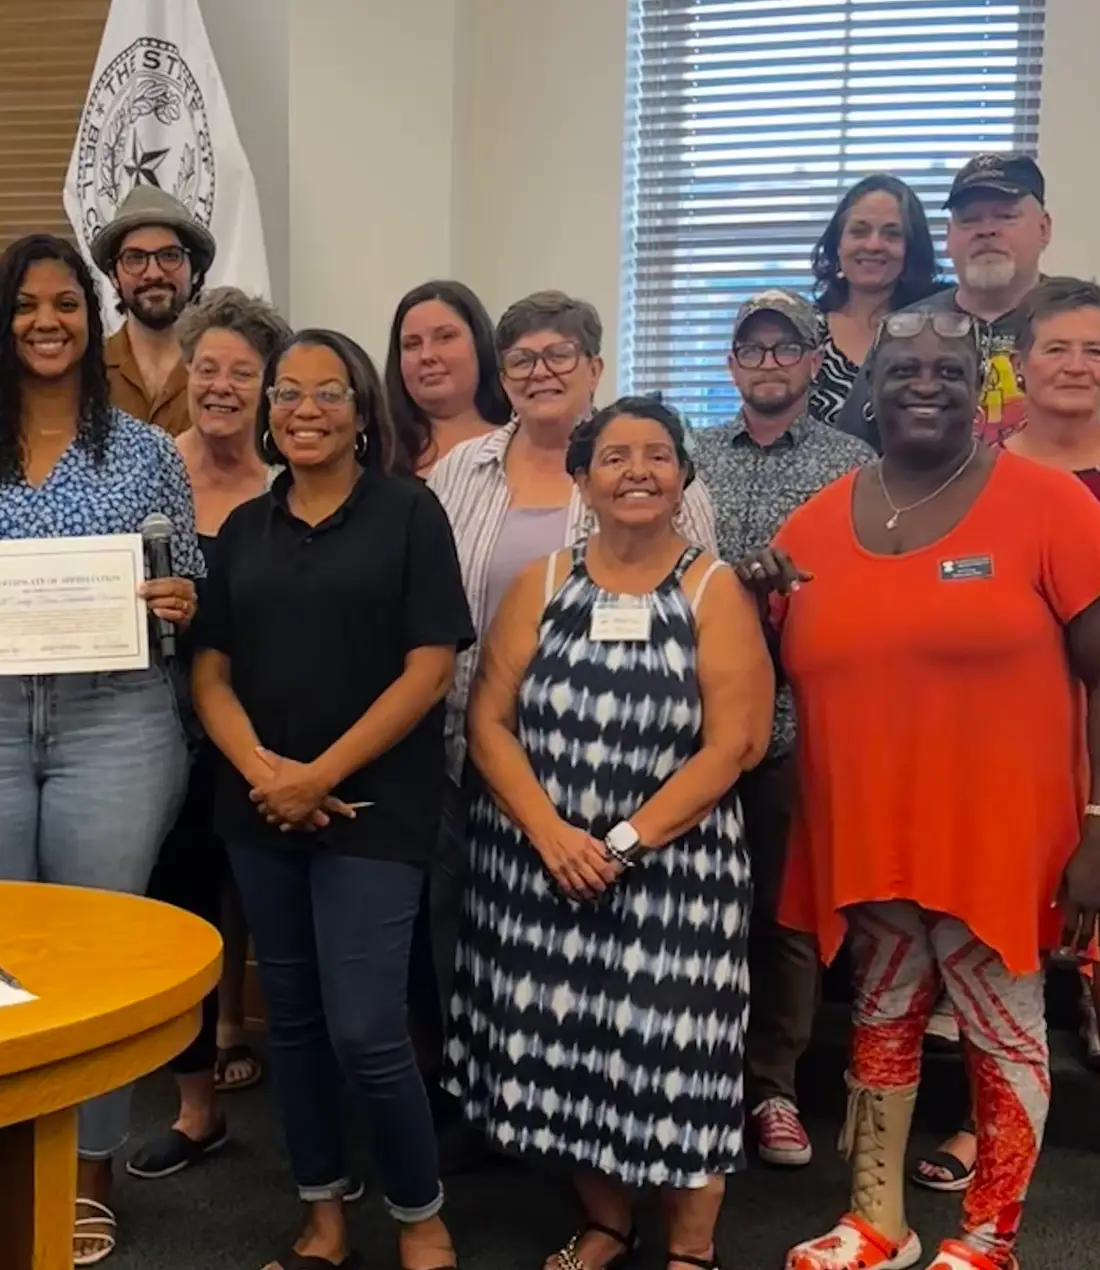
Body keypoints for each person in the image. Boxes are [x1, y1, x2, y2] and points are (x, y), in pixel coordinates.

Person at [751, 310, 1100, 1270]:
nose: (924, 384)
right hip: (866, 832)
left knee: (1002, 1030)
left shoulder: (1050, 507)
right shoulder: (811, 525)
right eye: (902, 368)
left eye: (948, 369)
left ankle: (987, 1237)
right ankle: (876, 1221)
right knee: (881, 1024)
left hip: (998, 833)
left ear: (984, 384)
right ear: (870, 385)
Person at [0, 233, 204, 1268]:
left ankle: (87, 1165)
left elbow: (185, 587)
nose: (47, 321)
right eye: (25, 305)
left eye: (66, 302)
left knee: (95, 951)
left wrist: (175, 598)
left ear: (93, 309)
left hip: (113, 715)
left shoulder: (150, 449)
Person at [909, 279, 1100, 1245]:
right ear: (1021, 364)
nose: (1076, 368)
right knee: (1002, 938)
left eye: (1094, 352)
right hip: (997, 757)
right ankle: (985, 1118)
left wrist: (1097, 740)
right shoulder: (978, 468)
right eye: (1057, 351)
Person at [446, 397, 772, 1270]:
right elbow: (489, 723)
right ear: (582, 480)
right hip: (538, 868)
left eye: (657, 456)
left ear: (682, 478)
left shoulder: (715, 588)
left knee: (678, 1058)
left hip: (674, 875)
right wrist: (553, 837)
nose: (637, 471)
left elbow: (733, 744)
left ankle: (690, 1250)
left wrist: (621, 844)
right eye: (616, 457)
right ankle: (606, 1223)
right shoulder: (540, 584)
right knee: (574, 1054)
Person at [193, 328, 471, 1270]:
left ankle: (420, 1213)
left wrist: (321, 775)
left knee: (366, 1029)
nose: (304, 410)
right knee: (299, 1027)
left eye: (328, 393)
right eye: (287, 393)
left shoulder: (408, 514)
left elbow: (431, 666)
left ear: (362, 411)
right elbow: (211, 675)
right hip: (259, 809)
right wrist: (270, 775)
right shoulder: (241, 530)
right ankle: (322, 1216)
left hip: (375, 810)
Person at [425, 292, 720, 1109]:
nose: (540, 373)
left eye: (561, 356)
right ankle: (492, 1104)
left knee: (603, 961)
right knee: (482, 935)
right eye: (521, 359)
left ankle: (595, 1119)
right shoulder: (461, 469)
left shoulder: (657, 471)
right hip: (478, 746)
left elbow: (700, 611)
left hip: (623, 768)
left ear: (594, 367)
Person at [695, 290, 872, 1171]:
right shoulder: (687, 457)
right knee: (695, 905)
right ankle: (692, 1072)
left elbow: (872, 589)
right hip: (690, 722)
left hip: (800, 720)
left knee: (785, 912)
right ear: (732, 365)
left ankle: (771, 1088)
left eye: (785, 349)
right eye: (752, 350)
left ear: (813, 363)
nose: (769, 363)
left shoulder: (855, 465)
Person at [126, 286, 291, 1183]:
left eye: (243, 372)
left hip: (271, 738)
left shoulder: (289, 483)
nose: (221, 386)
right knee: (179, 905)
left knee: (274, 912)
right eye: (207, 368)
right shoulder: (149, 470)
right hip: (161, 729)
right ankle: (197, 1111)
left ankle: (319, 1116)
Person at [835, 153, 1100, 452]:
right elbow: (852, 449)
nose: (986, 230)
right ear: (950, 237)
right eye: (969, 219)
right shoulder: (905, 329)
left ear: (1044, 229)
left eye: (1006, 216)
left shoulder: (1095, 317)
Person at [808, 174, 945, 429]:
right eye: (859, 231)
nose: (873, 245)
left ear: (911, 249)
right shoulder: (804, 332)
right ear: (838, 245)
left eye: (891, 234)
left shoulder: (939, 331)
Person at [92, 183, 216, 437]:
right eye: (135, 259)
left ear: (196, 272)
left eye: (170, 256)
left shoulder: (225, 374)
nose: (154, 273)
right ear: (114, 276)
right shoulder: (87, 370)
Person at [386, 280, 512, 476]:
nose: (426, 355)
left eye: (445, 337)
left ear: (479, 344)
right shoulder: (378, 450)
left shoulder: (521, 441)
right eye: (412, 344)